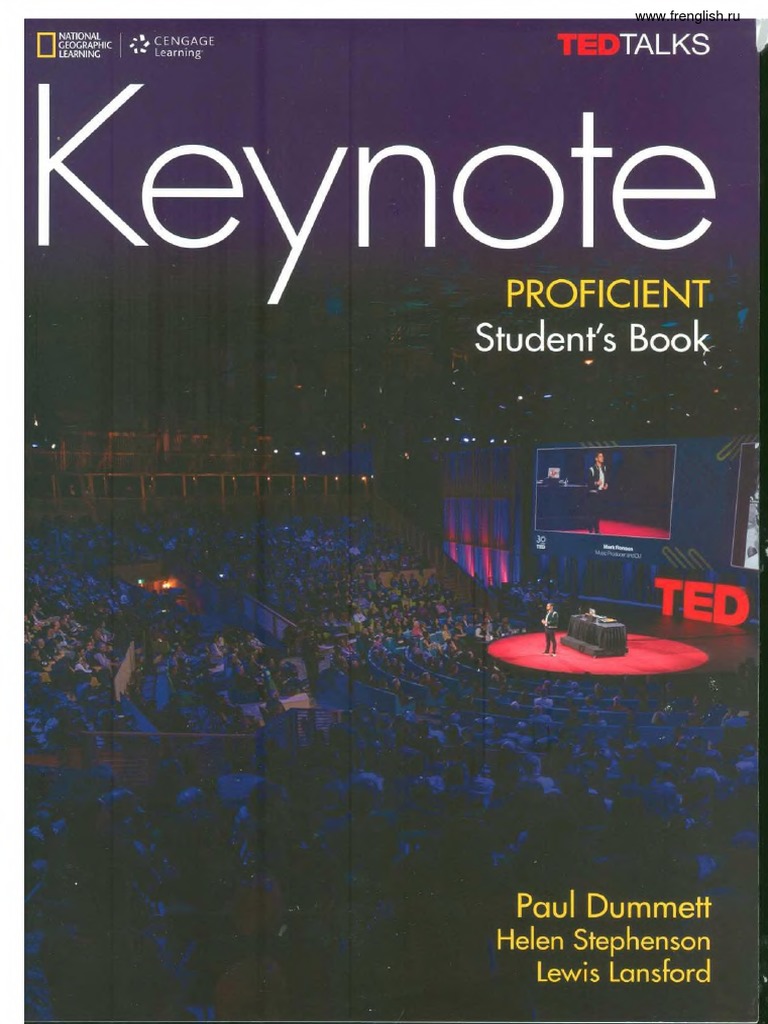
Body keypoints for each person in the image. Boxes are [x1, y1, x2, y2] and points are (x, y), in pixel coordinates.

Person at [587, 451, 608, 533]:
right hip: (593, 493)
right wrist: (596, 483)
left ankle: (597, 530)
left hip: (601, 492)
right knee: (592, 512)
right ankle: (590, 529)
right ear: (596, 458)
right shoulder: (592, 469)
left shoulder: (604, 468)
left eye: (602, 456)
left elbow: (605, 478)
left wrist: (606, 484)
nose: (602, 458)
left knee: (598, 512)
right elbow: (588, 482)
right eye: (600, 456)